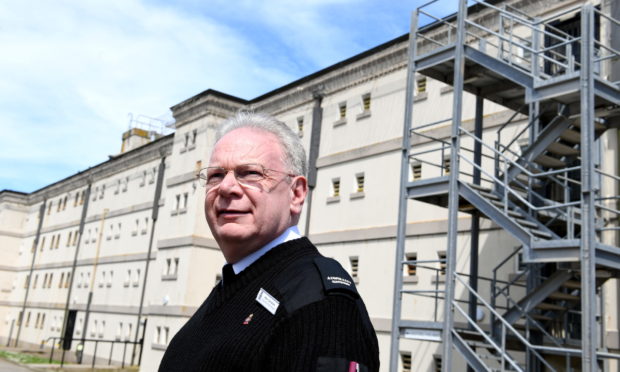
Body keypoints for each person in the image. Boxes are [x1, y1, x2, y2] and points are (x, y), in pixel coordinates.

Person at [158, 111, 379, 372]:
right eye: (216, 175)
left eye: (250, 173)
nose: (226, 187)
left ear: (296, 194)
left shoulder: (322, 306)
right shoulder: (237, 283)